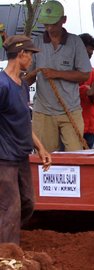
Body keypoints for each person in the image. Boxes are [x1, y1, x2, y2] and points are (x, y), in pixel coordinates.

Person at [1, 35, 52, 244]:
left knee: (27, 203)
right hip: (4, 158)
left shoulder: (21, 85)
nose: (32, 59)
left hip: (21, 156)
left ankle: (6, 240)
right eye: (30, 54)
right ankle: (7, 256)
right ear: (21, 54)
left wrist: (41, 148)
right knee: (10, 208)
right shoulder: (2, 86)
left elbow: (24, 122)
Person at [25, 0, 92, 152]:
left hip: (71, 110)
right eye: (46, 24)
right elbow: (29, 77)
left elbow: (85, 75)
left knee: (76, 157)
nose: (49, 28)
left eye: (53, 24)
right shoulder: (36, 42)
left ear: (63, 20)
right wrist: (16, 82)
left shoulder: (75, 42)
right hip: (43, 111)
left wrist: (57, 74)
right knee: (45, 159)